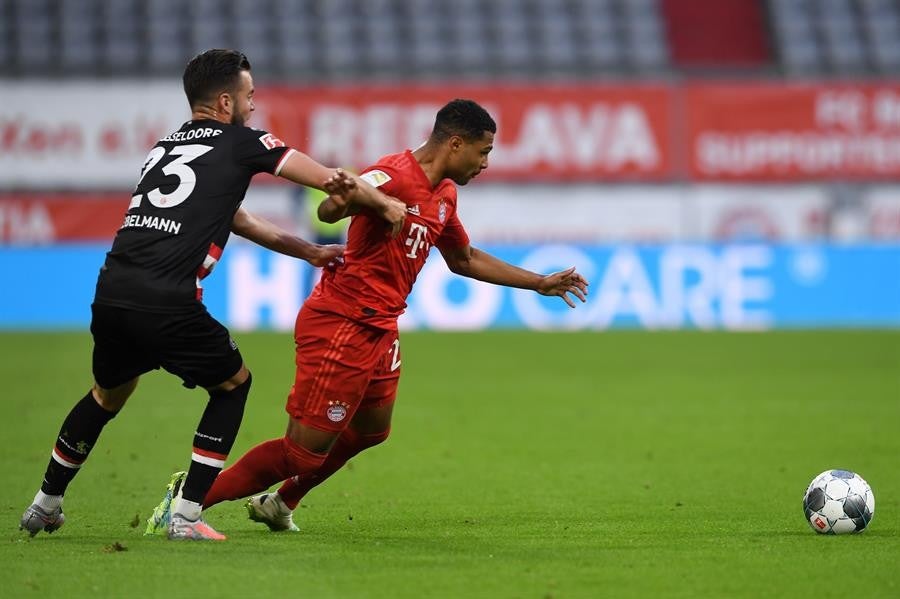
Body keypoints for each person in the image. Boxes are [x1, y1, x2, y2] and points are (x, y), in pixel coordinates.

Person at [147, 99, 588, 535]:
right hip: (342, 323)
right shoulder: (392, 175)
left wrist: (538, 283)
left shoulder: (445, 195)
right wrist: (362, 201)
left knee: (373, 431)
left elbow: (464, 258)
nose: (486, 163)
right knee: (302, 455)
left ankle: (280, 502)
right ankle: (188, 499)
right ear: (456, 144)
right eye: (484, 151)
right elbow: (330, 209)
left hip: (381, 327)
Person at [19, 48, 405, 542]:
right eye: (249, 96)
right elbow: (330, 179)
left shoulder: (164, 149)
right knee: (233, 385)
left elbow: (237, 219)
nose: (253, 105)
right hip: (168, 300)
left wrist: (307, 250)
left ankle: (45, 504)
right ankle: (185, 515)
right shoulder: (243, 142)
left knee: (106, 394)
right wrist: (379, 200)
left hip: (112, 292)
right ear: (225, 102)